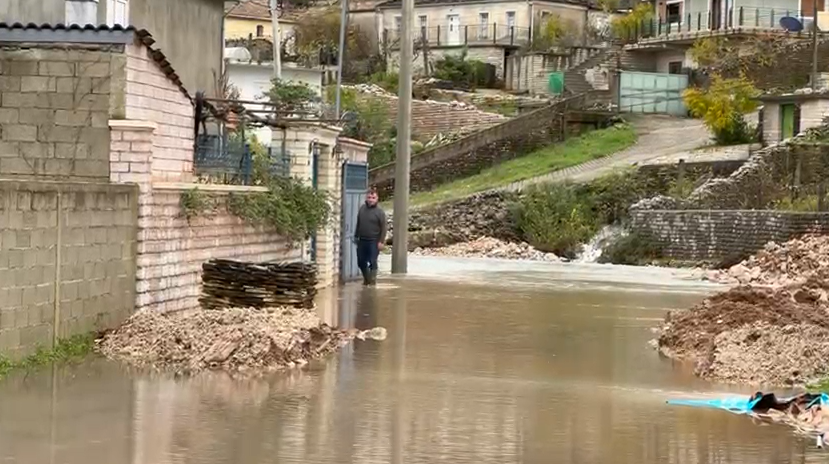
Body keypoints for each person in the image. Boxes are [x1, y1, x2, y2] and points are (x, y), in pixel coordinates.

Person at [354, 188, 387, 286]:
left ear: (377, 199)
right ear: (366, 198)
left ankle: (372, 281)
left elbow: (384, 227)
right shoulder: (362, 209)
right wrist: (356, 236)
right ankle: (366, 279)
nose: (371, 199)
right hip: (362, 240)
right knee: (361, 261)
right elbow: (358, 223)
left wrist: (381, 241)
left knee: (372, 261)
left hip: (374, 241)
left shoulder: (380, 212)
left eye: (373, 198)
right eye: (369, 197)